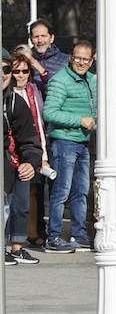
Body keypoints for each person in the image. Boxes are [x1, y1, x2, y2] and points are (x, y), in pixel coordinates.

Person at [42, 41, 97, 253]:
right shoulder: (60, 81)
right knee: (61, 192)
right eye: (77, 58)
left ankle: (79, 235)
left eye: (86, 59)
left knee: (82, 191)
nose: (81, 62)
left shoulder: (92, 80)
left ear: (92, 60)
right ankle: (53, 237)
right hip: (64, 141)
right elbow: (50, 113)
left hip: (83, 143)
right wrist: (79, 120)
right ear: (70, 58)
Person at [3, 56, 43, 266]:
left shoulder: (15, 101)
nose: (4, 74)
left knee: (21, 204)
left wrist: (31, 161)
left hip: (14, 160)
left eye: (7, 69)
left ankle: (17, 247)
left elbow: (29, 138)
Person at [8, 48, 49, 250]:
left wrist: (42, 155)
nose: (21, 75)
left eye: (25, 71)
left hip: (31, 149)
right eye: (16, 71)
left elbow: (38, 125)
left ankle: (23, 240)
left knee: (30, 196)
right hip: (11, 152)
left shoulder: (34, 91)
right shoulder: (8, 95)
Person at [27, 19, 67, 88]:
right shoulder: (26, 61)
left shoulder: (65, 61)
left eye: (43, 36)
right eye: (36, 37)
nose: (40, 40)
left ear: (52, 38)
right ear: (31, 40)